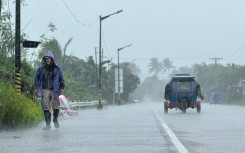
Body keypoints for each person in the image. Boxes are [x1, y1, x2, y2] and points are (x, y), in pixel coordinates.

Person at [34, 51, 65, 130]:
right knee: (45, 107)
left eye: (49, 58)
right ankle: (48, 125)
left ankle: (55, 120)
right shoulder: (41, 69)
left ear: (52, 59)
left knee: (56, 106)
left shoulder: (57, 69)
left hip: (55, 90)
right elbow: (36, 78)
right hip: (45, 90)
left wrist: (62, 87)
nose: (47, 60)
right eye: (46, 59)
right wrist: (36, 87)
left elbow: (61, 78)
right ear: (44, 59)